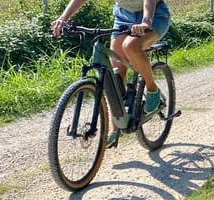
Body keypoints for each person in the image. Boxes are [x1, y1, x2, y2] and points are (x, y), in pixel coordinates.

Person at [51, 0, 171, 148]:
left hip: (154, 15)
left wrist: (146, 21)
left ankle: (153, 90)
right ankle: (116, 129)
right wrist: (64, 17)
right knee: (115, 76)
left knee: (130, 46)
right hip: (124, 16)